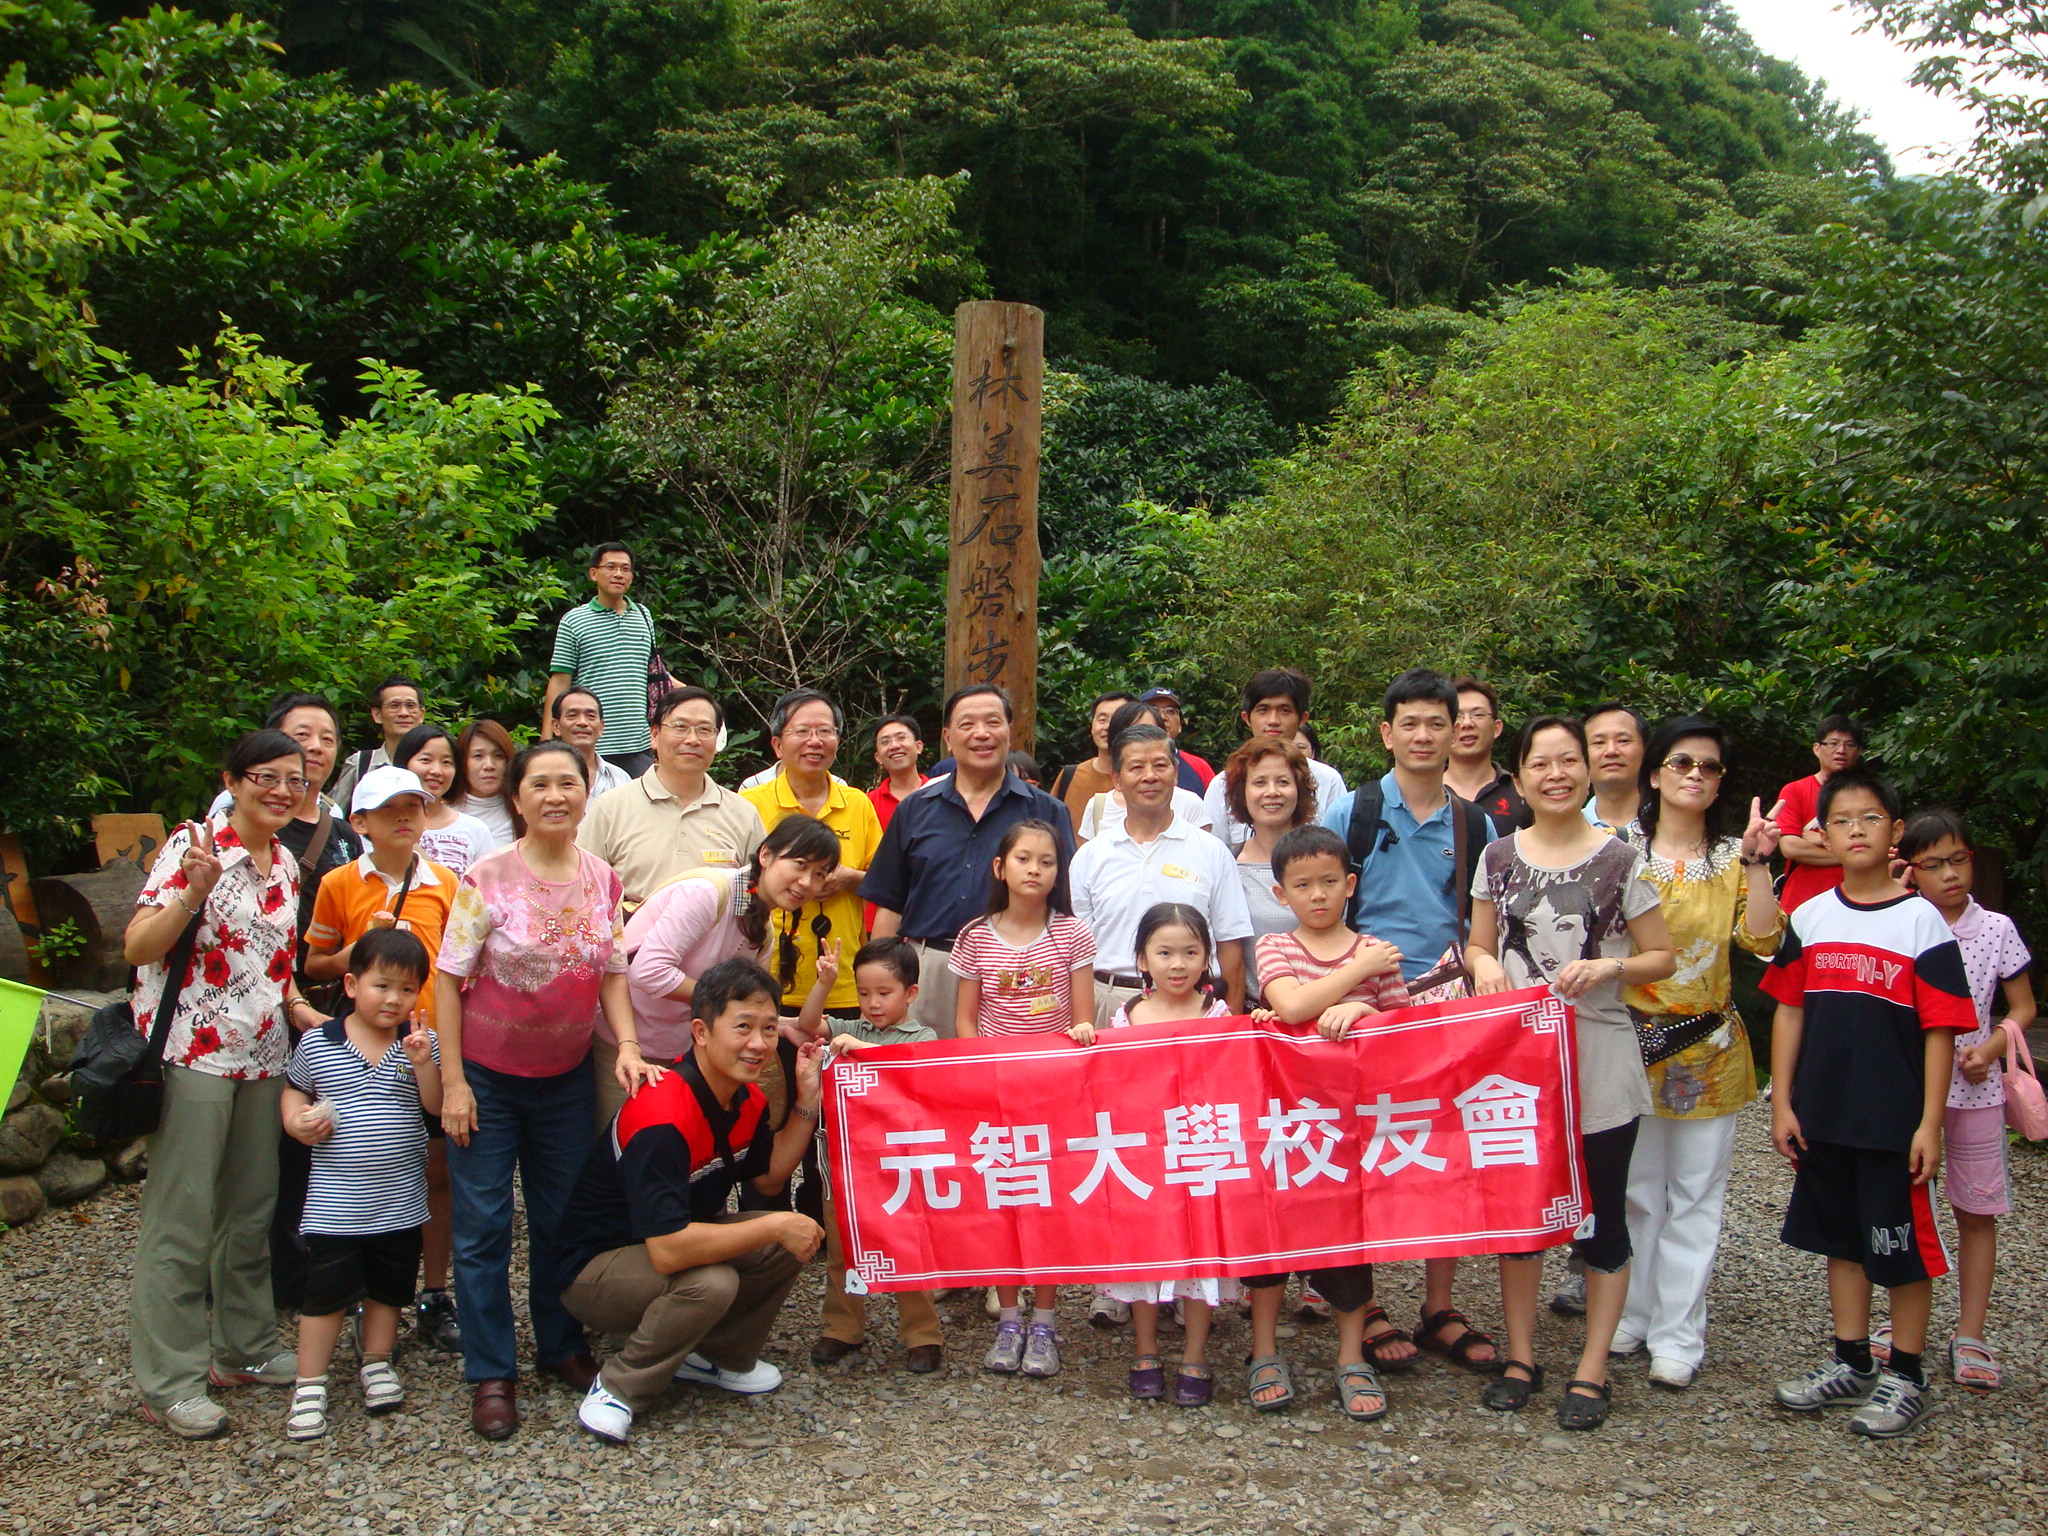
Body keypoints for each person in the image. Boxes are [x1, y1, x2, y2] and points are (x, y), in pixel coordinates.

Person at [434, 740, 665, 1440]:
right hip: (487, 1078)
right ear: (517, 797)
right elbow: (448, 977)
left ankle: (560, 1343)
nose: (557, 795)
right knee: (484, 1229)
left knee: (563, 1218)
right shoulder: (488, 876)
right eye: (541, 784)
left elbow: (615, 970)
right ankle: (490, 1371)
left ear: (586, 792)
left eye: (569, 782)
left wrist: (626, 1043)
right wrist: (452, 1082)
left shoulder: (602, 878)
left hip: (565, 1078)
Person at [1466, 714, 1674, 1430]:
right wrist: (1487, 964)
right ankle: (1522, 1357)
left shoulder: (1620, 860)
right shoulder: (1498, 857)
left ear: (1587, 772)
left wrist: (1612, 964)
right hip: (1517, 1063)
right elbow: (1477, 945)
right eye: (1540, 763)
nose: (1555, 775)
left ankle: (1591, 1370)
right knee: (1521, 1219)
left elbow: (1661, 956)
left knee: (1601, 1216)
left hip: (1599, 1056)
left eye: (1568, 761)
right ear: (1517, 777)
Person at [1764, 770, 1974, 1437]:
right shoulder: (1811, 916)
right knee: (1844, 1243)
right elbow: (1789, 1012)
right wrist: (1782, 1105)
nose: (1857, 830)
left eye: (1871, 818)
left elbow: (1941, 1029)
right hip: (1823, 1116)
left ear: (1894, 833)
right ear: (1822, 833)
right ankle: (1851, 1360)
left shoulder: (1923, 924)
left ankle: (1906, 1374)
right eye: (1843, 820)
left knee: (1901, 1249)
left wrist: (1930, 1123)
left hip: (1892, 1121)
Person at [128, 731, 322, 1439]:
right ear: (233, 781)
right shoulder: (196, 845)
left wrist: (303, 1010)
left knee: (250, 1207)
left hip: (263, 1055)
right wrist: (192, 894)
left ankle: (240, 1348)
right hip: (191, 1053)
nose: (279, 790)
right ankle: (168, 1379)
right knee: (181, 1215)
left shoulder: (287, 867)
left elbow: (275, 964)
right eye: (264, 777)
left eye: (293, 780)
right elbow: (137, 946)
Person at [559, 959, 827, 1445]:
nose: (759, 1044)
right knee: (712, 1280)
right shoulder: (663, 1111)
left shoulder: (746, 1100)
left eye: (769, 1029)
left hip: (664, 1247)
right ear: (701, 1032)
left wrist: (808, 1095)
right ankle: (618, 1387)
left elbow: (768, 1179)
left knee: (786, 1242)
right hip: (593, 1271)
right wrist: (774, 1226)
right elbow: (668, 1250)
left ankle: (714, 1357)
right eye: (742, 1027)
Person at [1322, 669, 1503, 1370]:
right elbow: (1320, 902)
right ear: (1386, 732)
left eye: (1437, 723)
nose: (1424, 736)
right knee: (1360, 1155)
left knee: (1443, 1157)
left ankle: (1439, 1305)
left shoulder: (1477, 823)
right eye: (1411, 724)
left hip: (1446, 1004)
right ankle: (1363, 1303)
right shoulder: (1356, 812)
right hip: (1363, 1005)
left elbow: (1486, 921)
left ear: (1460, 730)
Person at [1614, 718, 1785, 1389]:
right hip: (1628, 1043)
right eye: (1680, 762)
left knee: (1695, 1194)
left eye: (1709, 767)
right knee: (1635, 1191)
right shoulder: (1619, 851)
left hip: (1708, 1049)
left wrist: (1761, 863)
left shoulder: (1732, 860)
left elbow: (1764, 943)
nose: (1694, 775)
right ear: (1654, 772)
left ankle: (1680, 1333)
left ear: (1720, 783)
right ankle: (1634, 1311)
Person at [1248, 827, 1412, 1422]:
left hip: (1352, 1123)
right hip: (1284, 1119)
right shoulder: (1275, 947)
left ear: (1350, 884)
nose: (1316, 895)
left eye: (1327, 882)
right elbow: (1290, 1008)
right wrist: (1355, 975)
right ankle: (1263, 1351)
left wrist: (1364, 1007)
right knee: (1270, 1234)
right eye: (1301, 885)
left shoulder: (1378, 951)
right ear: (1281, 892)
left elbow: (1407, 1032)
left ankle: (1350, 1355)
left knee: (1348, 1236)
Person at [303, 764, 466, 1355]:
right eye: (389, 808)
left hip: (429, 1040)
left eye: (415, 806)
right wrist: (356, 948)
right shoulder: (340, 883)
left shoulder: (447, 882)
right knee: (358, 1156)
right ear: (360, 820)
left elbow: (458, 968)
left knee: (435, 1168)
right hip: (357, 1043)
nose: (405, 817)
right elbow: (315, 963)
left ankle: (434, 1290)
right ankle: (357, 1284)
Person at [278, 928, 444, 1440]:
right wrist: (295, 1122)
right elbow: (293, 1090)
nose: (394, 999)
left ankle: (376, 1359)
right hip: (335, 1203)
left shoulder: (420, 1044)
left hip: (399, 1201)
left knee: (390, 1286)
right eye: (382, 986)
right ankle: (310, 1381)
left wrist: (422, 1066)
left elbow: (436, 1109)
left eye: (408, 989)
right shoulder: (319, 1041)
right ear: (351, 985)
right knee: (324, 1291)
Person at [947, 817, 1098, 1375]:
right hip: (994, 1096)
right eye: (1024, 859)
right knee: (1004, 1201)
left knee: (1048, 1205)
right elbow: (965, 1021)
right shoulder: (975, 935)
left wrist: (1069, 1053)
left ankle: (1046, 1325)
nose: (1035, 869)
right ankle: (1009, 1317)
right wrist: (989, 1073)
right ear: (1000, 868)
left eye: (1048, 861)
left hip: (1054, 1095)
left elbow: (1083, 1021)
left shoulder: (1072, 934)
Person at [1889, 809, 2034, 1391]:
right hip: (1908, 1087)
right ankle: (1900, 1323)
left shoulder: (1996, 928)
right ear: (1910, 871)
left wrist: (1994, 1045)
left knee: (1976, 1211)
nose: (1950, 874)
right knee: (1901, 1204)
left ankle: (1970, 1331)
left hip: (1977, 1090)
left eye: (1959, 860)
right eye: (1934, 864)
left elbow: (2022, 1005)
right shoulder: (1899, 922)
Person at [864, 684, 1077, 1039]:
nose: (981, 734)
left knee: (1006, 1084)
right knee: (924, 1083)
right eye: (967, 725)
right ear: (947, 737)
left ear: (1010, 732)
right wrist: (881, 981)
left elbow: (1065, 903)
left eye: (993, 722)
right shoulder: (915, 809)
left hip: (1017, 974)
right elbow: (889, 902)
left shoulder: (1046, 811)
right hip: (928, 968)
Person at [1101, 904, 1240, 1408]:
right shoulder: (1127, 1014)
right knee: (1146, 1251)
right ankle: (1145, 1349)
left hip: (1201, 1153)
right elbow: (1109, 1080)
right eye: (1164, 952)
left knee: (1199, 1252)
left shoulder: (1218, 1015)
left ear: (1207, 960)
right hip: (1144, 1154)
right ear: (1142, 959)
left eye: (1190, 952)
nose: (1177, 964)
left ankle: (1195, 1355)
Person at [619, 815, 843, 1127]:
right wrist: (726, 1004)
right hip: (629, 1046)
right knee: (628, 1146)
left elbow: (745, 1003)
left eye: (819, 874)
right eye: (800, 864)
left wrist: (782, 1023)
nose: (806, 881)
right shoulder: (707, 894)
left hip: (685, 1051)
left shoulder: (763, 929)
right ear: (766, 855)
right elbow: (648, 972)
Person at [813, 938, 945, 1373]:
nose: (872, 1004)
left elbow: (911, 1071)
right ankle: (842, 1327)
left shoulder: (922, 1035)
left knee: (907, 1243)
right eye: (863, 993)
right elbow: (809, 1024)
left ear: (911, 993)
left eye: (884, 993)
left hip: (899, 1164)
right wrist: (825, 983)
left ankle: (922, 1335)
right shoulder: (851, 1026)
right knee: (842, 1245)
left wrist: (859, 1049)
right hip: (846, 1161)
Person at [1073, 724, 1251, 1027]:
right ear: (1116, 778)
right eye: (1136, 767)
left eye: (1160, 765)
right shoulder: (1090, 857)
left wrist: (1230, 1024)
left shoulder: (1212, 852)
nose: (1150, 776)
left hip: (1194, 1007)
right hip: (1107, 1000)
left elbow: (1230, 944)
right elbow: (1077, 951)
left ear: (1175, 772)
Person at [742, 690, 883, 1028]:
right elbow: (736, 882)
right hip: (766, 974)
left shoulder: (858, 804)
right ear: (777, 745)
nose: (815, 741)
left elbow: (887, 882)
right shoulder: (749, 804)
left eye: (825, 731)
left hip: (845, 980)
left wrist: (849, 877)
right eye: (802, 731)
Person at [580, 686, 765, 909]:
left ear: (717, 740)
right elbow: (585, 892)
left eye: (705, 729)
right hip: (634, 939)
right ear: (655, 735)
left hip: (716, 940)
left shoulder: (742, 813)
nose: (693, 739)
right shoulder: (610, 808)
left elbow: (754, 898)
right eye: (680, 727)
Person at [545, 541, 659, 777]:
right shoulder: (574, 621)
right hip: (590, 743)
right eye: (611, 567)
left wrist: (695, 696)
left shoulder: (643, 615)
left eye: (625, 569)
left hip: (637, 745)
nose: (619, 574)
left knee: (640, 810)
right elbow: (559, 681)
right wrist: (547, 741)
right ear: (594, 573)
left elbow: (654, 672)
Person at [1202, 669, 1348, 848]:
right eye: (1263, 710)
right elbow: (1214, 853)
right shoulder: (1223, 783)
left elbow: (1337, 851)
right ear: (1246, 718)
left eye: (1285, 711)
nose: (1273, 721)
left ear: (1302, 719)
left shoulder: (1328, 779)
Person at [1225, 736, 1319, 1005]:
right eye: (1259, 782)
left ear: (1299, 790)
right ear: (1242, 792)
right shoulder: (1227, 864)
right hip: (1252, 1012)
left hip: (1323, 1010)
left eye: (1283, 782)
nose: (1272, 792)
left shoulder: (1324, 858)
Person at [1075, 700, 1212, 842]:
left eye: (1149, 731)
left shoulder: (1189, 804)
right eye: (1131, 733)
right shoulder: (1098, 807)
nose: (1141, 740)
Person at [1773, 715, 1867, 914]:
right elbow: (1791, 847)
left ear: (1858, 751)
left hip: (1856, 902)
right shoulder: (1795, 791)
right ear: (1817, 748)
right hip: (1801, 903)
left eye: (1849, 745)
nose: (1841, 750)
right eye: (1833, 743)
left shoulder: (1868, 796)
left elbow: (1879, 846)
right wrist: (1853, 854)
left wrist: (1821, 840)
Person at [391, 725, 497, 877]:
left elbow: (490, 890)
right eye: (425, 760)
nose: (436, 771)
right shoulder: (380, 823)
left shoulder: (475, 829)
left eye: (446, 762)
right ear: (404, 763)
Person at [1444, 677, 1528, 830]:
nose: (1467, 723)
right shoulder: (1426, 792)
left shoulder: (1522, 790)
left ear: (1497, 728)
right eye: (1457, 716)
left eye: (1478, 714)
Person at [332, 675, 425, 805]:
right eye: (394, 705)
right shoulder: (361, 764)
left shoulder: (437, 766)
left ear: (421, 715)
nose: (403, 713)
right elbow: (334, 814)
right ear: (377, 715)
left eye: (410, 706)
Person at [1051, 691, 1134, 831]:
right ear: (1092, 726)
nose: (1107, 727)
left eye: (1116, 720)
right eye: (1102, 720)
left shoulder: (1143, 780)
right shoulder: (1070, 776)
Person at [551, 686, 635, 801]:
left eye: (590, 716)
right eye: (572, 715)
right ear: (556, 726)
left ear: (601, 727)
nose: (582, 722)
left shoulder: (620, 779)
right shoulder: (541, 777)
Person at [452, 719, 518, 849]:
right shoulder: (444, 811)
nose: (489, 765)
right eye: (478, 756)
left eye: (498, 756)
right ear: (463, 763)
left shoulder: (523, 812)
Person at [1582, 702, 1646, 833]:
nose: (1611, 751)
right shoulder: (1566, 831)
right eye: (1599, 742)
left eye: (1623, 740)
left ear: (1646, 750)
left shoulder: (1672, 824)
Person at [1139, 685, 1215, 791]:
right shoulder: (1125, 765)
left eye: (1170, 711)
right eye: (1154, 710)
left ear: (1180, 725)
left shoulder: (1199, 767)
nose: (1163, 717)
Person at [868, 715, 928, 830]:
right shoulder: (868, 804)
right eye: (885, 742)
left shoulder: (941, 794)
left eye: (901, 738)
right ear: (878, 757)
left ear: (918, 747)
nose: (894, 746)